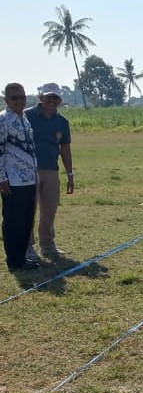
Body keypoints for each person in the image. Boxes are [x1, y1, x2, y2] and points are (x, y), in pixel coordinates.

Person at [24, 83, 74, 261]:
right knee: (29, 209)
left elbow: (65, 149)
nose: (52, 101)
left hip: (52, 170)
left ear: (60, 101)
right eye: (49, 97)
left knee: (50, 210)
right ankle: (27, 246)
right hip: (29, 170)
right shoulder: (27, 116)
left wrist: (70, 174)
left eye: (56, 98)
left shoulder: (62, 122)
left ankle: (48, 245)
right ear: (41, 98)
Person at [0, 83, 39, 271]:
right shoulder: (3, 120)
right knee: (13, 221)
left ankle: (22, 257)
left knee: (26, 220)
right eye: (14, 98)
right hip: (13, 180)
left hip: (29, 179)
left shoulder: (24, 118)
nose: (19, 101)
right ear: (6, 99)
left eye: (22, 97)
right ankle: (14, 260)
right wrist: (1, 177)